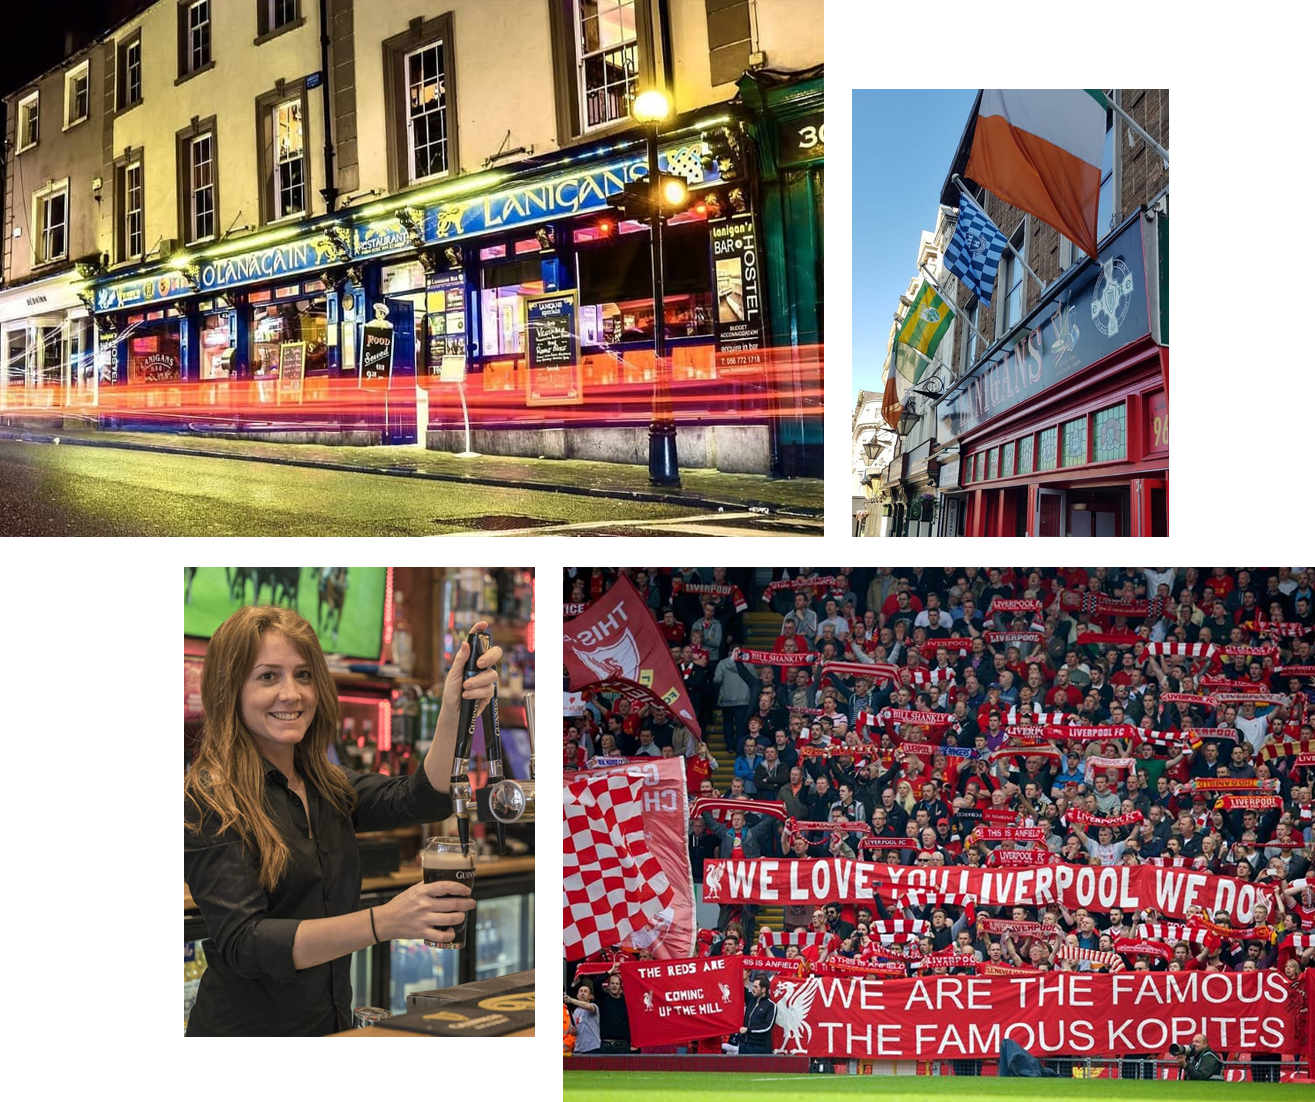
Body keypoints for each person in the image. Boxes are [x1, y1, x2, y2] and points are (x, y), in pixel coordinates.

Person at [184, 606, 498, 1036]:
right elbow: (246, 944)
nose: (292, 694)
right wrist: (384, 921)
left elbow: (422, 798)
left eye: (304, 675)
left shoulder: (325, 786)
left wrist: (453, 709)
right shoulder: (209, 796)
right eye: (268, 676)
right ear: (229, 690)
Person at [738, 976, 777, 1054]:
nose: (753, 989)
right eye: (753, 986)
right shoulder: (751, 999)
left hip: (760, 1047)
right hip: (744, 1044)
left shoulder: (771, 1006)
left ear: (763, 989)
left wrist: (748, 1029)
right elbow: (740, 988)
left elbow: (767, 1026)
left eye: (756, 987)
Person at [565, 982, 600, 1055]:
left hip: (592, 1048)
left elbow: (588, 1007)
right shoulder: (575, 1012)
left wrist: (571, 1000)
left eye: (585, 991)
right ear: (577, 995)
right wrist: (573, 1031)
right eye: (581, 991)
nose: (583, 993)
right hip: (579, 1048)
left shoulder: (593, 1006)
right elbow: (572, 1032)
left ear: (590, 996)